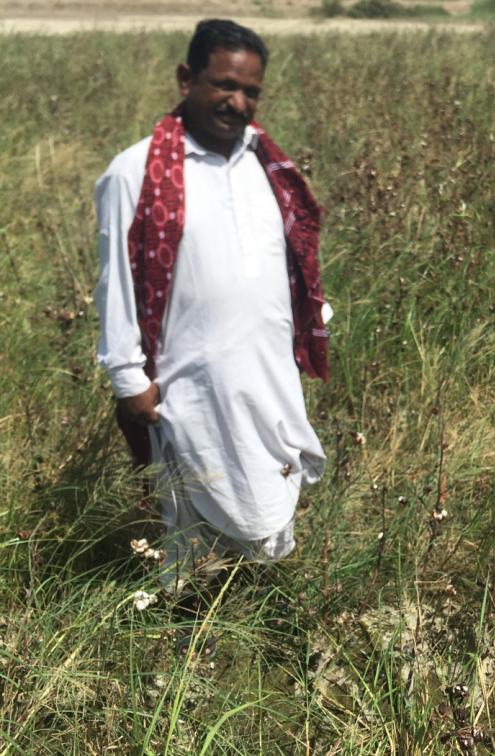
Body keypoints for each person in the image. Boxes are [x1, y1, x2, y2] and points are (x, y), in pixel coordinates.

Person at [94, 19, 330, 600]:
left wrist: (308, 322)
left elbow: (291, 265)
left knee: (268, 495)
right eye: (223, 84)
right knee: (191, 514)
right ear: (186, 78)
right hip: (189, 379)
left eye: (250, 91)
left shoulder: (267, 167)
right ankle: (184, 627)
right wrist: (127, 376)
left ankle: (249, 610)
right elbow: (116, 281)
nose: (237, 101)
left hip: (266, 371)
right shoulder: (136, 172)